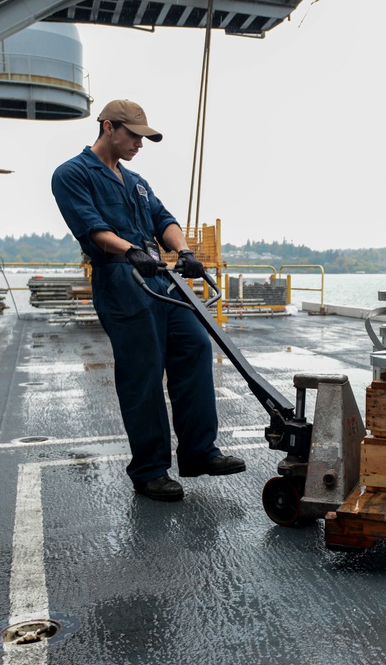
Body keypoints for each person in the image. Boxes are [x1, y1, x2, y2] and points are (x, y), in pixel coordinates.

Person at [51, 99, 245, 502]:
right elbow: (92, 228)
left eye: (143, 136)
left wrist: (185, 251)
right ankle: (150, 470)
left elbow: (163, 219)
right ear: (108, 127)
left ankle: (198, 452)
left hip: (161, 276)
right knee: (143, 371)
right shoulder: (71, 174)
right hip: (122, 277)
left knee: (194, 346)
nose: (140, 143)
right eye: (134, 135)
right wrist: (130, 251)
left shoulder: (136, 180)